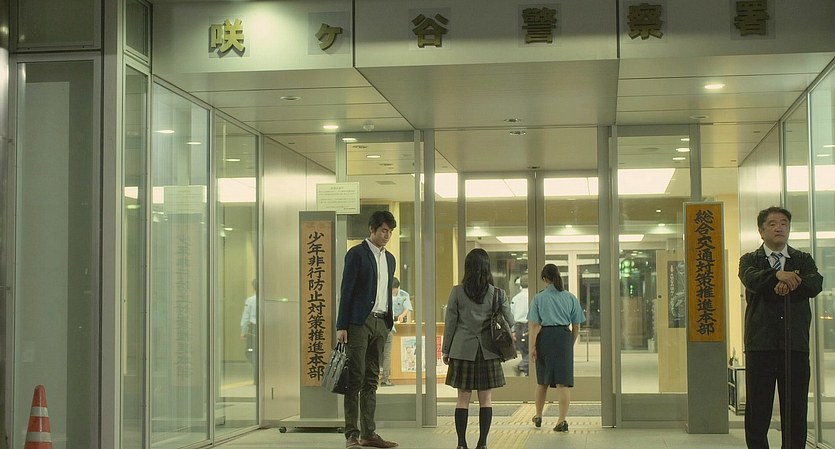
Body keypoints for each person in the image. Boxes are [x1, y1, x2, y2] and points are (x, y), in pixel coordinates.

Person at [739, 206, 823, 449]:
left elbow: (815, 283)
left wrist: (789, 280)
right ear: (761, 231)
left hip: (795, 345)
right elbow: (752, 279)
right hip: (760, 345)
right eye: (773, 224)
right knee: (758, 409)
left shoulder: (802, 259)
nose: (779, 228)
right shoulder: (750, 260)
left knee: (795, 408)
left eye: (784, 223)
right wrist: (777, 275)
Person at [336, 210, 399, 449]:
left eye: (390, 231)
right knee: (355, 377)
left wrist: (388, 322)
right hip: (359, 323)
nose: (387, 235)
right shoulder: (356, 254)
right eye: (383, 230)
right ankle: (352, 435)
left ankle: (369, 433)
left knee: (372, 379)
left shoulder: (389, 259)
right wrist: (342, 325)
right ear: (372, 230)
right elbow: (347, 290)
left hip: (381, 322)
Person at [442, 248, 514, 449]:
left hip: (462, 350)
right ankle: (482, 443)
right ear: (487, 268)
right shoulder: (497, 293)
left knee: (462, 400)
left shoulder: (457, 292)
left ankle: (461, 444)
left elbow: (450, 324)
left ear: (467, 268)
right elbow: (510, 320)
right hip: (488, 351)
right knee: (486, 399)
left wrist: (446, 350)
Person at [528, 263, 585, 432]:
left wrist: (532, 347)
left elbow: (534, 326)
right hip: (564, 337)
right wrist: (569, 344)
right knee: (563, 383)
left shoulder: (539, 298)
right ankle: (561, 420)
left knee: (542, 381)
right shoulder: (570, 297)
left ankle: (538, 415)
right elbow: (576, 326)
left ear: (545, 279)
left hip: (545, 337)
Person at [380, 276, 412, 386]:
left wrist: (401, 316)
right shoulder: (385, 294)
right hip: (386, 325)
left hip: (391, 324)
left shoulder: (403, 295)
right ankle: (383, 379)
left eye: (393, 289)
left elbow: (407, 308)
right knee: (384, 353)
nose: (392, 291)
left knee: (386, 354)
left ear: (397, 287)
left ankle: (384, 378)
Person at [510, 274, 529, 376]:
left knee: (524, 352)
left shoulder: (515, 298)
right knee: (534, 350)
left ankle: (527, 373)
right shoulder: (533, 296)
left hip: (518, 327)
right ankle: (522, 366)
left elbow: (511, 314)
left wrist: (512, 330)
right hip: (528, 326)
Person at [239, 279, 258, 381]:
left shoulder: (250, 300)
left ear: (254, 287)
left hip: (253, 329)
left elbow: (246, 317)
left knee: (250, 351)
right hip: (265, 328)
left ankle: (256, 370)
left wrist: (243, 331)